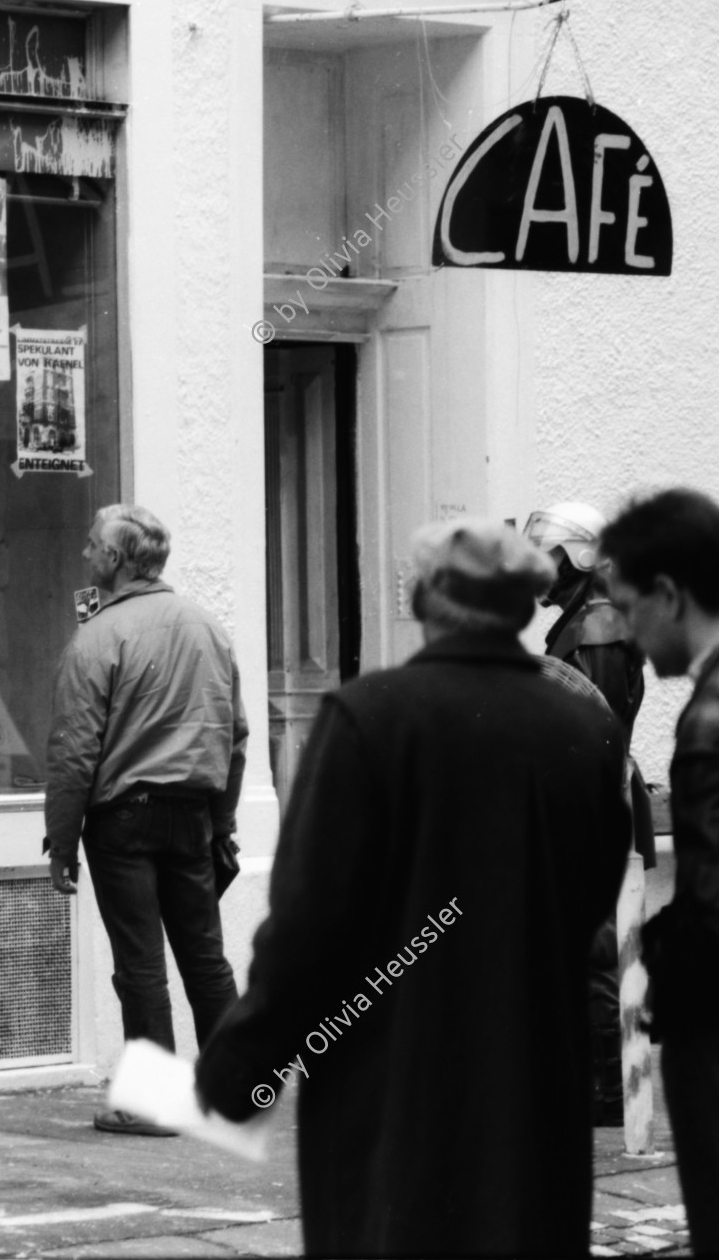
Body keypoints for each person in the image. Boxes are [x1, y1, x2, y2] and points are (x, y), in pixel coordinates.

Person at [195, 519, 631, 1256]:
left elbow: (309, 923)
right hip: (530, 1078)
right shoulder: (581, 723)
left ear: (426, 599)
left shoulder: (370, 717)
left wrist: (243, 1064)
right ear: (525, 606)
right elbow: (592, 894)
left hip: (393, 1082)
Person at [45, 504, 246, 1136]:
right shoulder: (207, 628)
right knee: (206, 958)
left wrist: (62, 842)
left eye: (92, 547)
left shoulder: (99, 637)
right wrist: (223, 821)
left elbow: (75, 750)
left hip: (123, 821)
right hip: (192, 816)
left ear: (116, 559)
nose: (85, 555)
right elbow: (235, 735)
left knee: (141, 964)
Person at [599, 488, 719, 1254]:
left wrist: (662, 971)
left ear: (669, 594)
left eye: (628, 607)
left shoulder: (708, 719)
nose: (629, 635)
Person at [526, 500, 654, 1125]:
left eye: (547, 553)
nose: (537, 567)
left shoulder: (598, 626)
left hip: (591, 802)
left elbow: (597, 729)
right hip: (581, 798)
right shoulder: (584, 618)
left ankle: (606, 1092)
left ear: (576, 555)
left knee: (596, 948)